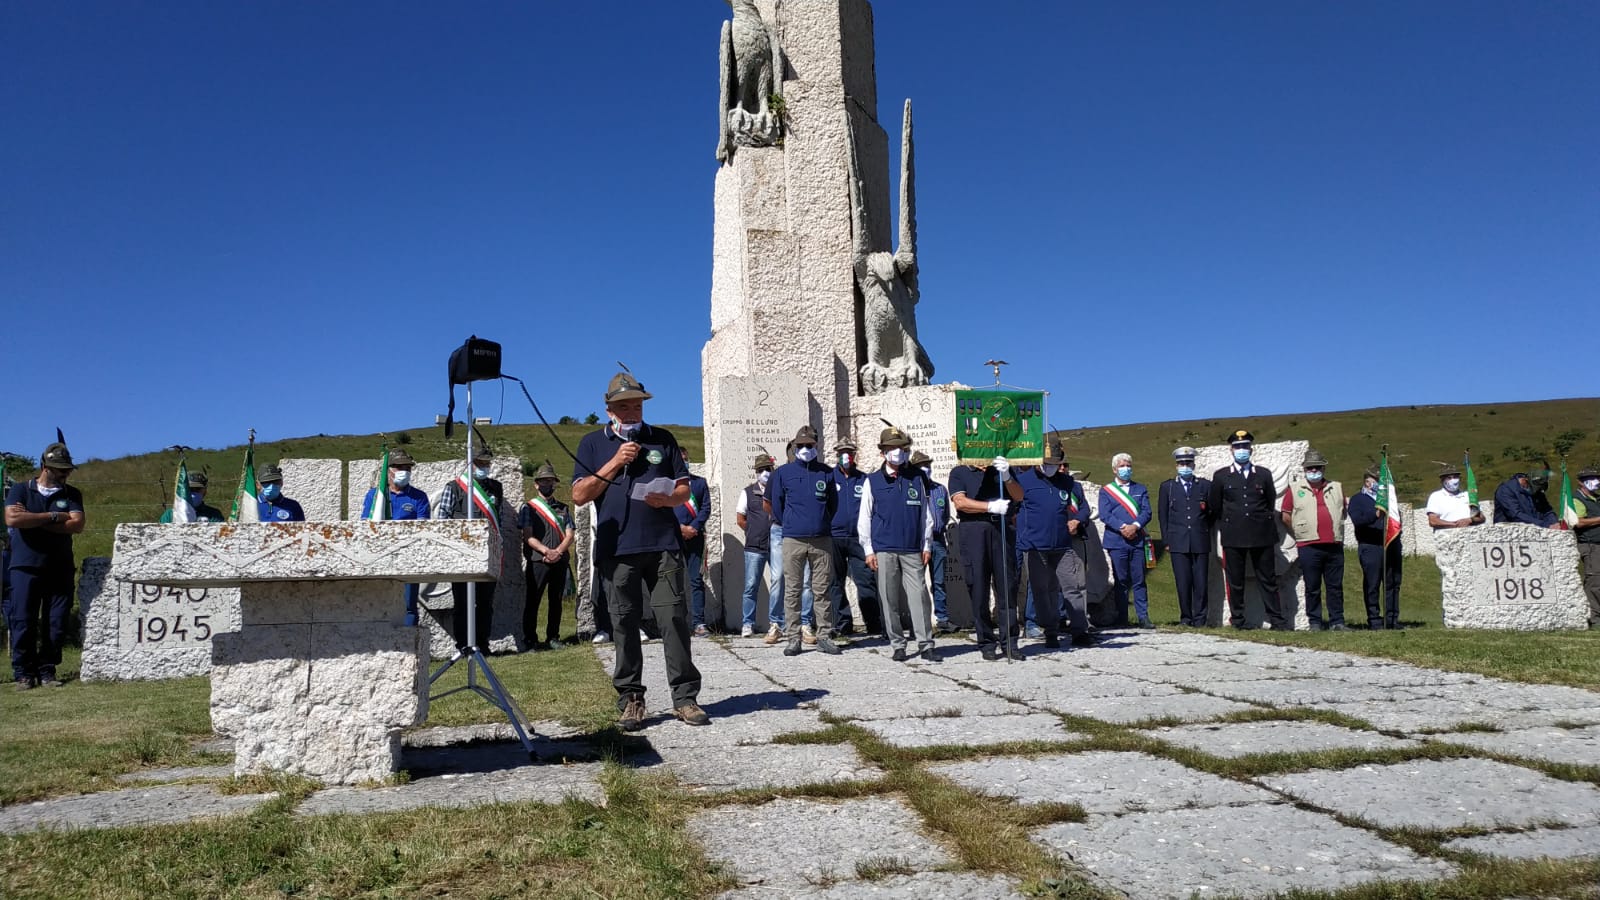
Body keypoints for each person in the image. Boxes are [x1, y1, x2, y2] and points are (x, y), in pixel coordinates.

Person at [573, 370, 706, 730]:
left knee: (673, 619)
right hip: (618, 549)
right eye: (624, 407)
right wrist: (616, 461)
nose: (633, 413)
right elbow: (579, 495)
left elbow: (684, 490)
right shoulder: (592, 444)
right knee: (624, 623)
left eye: (637, 406)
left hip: (663, 545)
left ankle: (685, 698)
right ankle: (631, 699)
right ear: (609, 411)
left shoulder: (662, 439)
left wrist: (670, 498)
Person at [5, 443, 85, 690]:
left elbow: (77, 524)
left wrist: (33, 520)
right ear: (45, 467)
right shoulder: (20, 490)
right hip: (25, 565)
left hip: (59, 566)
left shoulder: (72, 494)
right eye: (60, 470)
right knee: (23, 619)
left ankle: (48, 669)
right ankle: (24, 672)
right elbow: (13, 518)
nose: (65, 474)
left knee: (56, 621)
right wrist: (52, 517)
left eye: (67, 470)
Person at [857, 427, 936, 661]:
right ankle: (897, 644)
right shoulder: (872, 481)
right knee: (889, 598)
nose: (896, 453)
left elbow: (926, 515)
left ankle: (925, 643)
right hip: (884, 549)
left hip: (912, 548)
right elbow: (864, 517)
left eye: (900, 448)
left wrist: (927, 544)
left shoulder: (917, 478)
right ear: (883, 452)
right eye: (891, 448)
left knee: (919, 596)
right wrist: (868, 549)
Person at [767, 425, 841, 656]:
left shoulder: (827, 473)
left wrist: (821, 522)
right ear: (794, 448)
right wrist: (790, 522)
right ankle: (792, 638)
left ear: (816, 447)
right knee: (793, 590)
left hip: (821, 540)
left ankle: (825, 636)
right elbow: (776, 504)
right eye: (801, 446)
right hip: (793, 539)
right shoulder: (782, 473)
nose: (806, 449)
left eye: (810, 445)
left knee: (821, 590)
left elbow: (833, 504)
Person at [1015, 441, 1095, 648]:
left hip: (1063, 545)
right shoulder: (1022, 481)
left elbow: (1084, 508)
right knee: (1043, 591)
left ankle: (1080, 630)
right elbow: (1012, 508)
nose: (1050, 467)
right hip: (1035, 546)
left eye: (1055, 463)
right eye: (1046, 463)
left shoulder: (1068, 483)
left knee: (1072, 587)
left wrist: (1078, 520)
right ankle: (1050, 631)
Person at [1209, 429, 1287, 630]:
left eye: (1245, 447)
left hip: (1261, 534)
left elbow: (1269, 502)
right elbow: (1216, 506)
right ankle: (1238, 620)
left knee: (1268, 579)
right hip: (1234, 535)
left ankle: (1277, 620)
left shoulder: (1263, 474)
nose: (1241, 450)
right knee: (1235, 581)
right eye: (1237, 447)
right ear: (1231, 450)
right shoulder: (1221, 476)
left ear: (1251, 449)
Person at [949, 455, 1024, 661]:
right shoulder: (960, 472)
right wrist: (989, 506)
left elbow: (1018, 496)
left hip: (1001, 528)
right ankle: (986, 641)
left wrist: (1007, 475)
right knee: (978, 587)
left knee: (1006, 587)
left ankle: (1010, 641)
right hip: (974, 529)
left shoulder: (999, 470)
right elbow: (960, 502)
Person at [437, 447, 505, 653]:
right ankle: (463, 645)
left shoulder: (496, 488)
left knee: (485, 604)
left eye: (487, 464)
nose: (484, 467)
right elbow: (443, 521)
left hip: (486, 555)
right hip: (462, 555)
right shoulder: (455, 487)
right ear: (470, 464)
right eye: (479, 463)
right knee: (463, 603)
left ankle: (483, 644)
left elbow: (498, 522)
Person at [360, 447, 431, 625]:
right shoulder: (375, 496)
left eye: (408, 468)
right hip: (380, 557)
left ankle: (409, 648)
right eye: (400, 467)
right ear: (389, 470)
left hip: (408, 557)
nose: (404, 472)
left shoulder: (419, 497)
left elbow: (423, 527)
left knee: (408, 605)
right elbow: (366, 526)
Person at [1280, 449, 1348, 631]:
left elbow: (1344, 511)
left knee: (1335, 586)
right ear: (1305, 470)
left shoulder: (1337, 487)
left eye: (1317, 467)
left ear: (1324, 469)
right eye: (1310, 468)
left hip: (1334, 544)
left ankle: (1337, 621)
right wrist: (1299, 532)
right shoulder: (1295, 490)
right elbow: (1286, 515)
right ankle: (1315, 622)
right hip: (1308, 545)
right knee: (1312, 586)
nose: (1314, 471)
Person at [828, 437, 881, 639]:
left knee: (866, 581)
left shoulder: (864, 479)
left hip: (859, 539)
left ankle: (873, 622)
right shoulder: (829, 478)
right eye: (842, 452)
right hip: (834, 537)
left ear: (855, 455)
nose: (846, 456)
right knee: (835, 582)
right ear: (837, 455)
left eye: (849, 452)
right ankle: (842, 623)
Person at [519, 462, 574, 649]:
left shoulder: (564, 508)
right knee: (533, 600)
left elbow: (570, 534)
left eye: (551, 481)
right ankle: (530, 639)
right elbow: (528, 536)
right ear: (536, 484)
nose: (547, 484)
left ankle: (553, 637)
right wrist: (546, 551)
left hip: (559, 560)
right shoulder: (528, 508)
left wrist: (558, 552)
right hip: (538, 560)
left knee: (556, 601)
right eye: (544, 481)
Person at [1158, 446, 1212, 627]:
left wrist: (1204, 531)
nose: (1185, 466)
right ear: (1176, 466)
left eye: (1188, 463)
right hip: (1178, 541)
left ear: (1194, 464)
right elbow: (1163, 515)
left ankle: (1200, 619)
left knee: (1201, 582)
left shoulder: (1204, 486)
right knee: (1183, 582)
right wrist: (1166, 540)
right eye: (1181, 463)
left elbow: (1210, 513)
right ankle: (1186, 617)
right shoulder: (1168, 487)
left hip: (1200, 540)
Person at [1099, 452, 1154, 628]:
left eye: (1128, 465)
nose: (1126, 469)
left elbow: (1147, 512)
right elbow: (1105, 514)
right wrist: (1123, 527)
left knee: (1139, 580)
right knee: (1121, 580)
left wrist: (1135, 526)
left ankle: (1143, 617)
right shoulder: (1106, 491)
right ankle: (1122, 617)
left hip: (1137, 540)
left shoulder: (1141, 489)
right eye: (1122, 466)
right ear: (1115, 469)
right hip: (1116, 541)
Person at [1347, 466, 1403, 630]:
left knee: (1393, 582)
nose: (1380, 485)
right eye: (1378, 481)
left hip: (1390, 544)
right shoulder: (1358, 499)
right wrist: (1376, 513)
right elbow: (1358, 520)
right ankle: (1374, 619)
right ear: (1368, 482)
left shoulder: (1390, 501)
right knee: (1372, 583)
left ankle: (1392, 619)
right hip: (1370, 545)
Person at [909, 451, 955, 633]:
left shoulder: (940, 489)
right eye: (921, 466)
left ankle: (942, 618)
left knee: (939, 581)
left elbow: (944, 515)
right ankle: (917, 623)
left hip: (937, 541)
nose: (925, 469)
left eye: (927, 465)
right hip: (916, 542)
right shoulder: (912, 490)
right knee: (916, 583)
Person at [736, 453, 777, 638]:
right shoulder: (747, 492)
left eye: (768, 469)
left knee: (779, 583)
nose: (765, 473)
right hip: (754, 547)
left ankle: (777, 623)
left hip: (776, 545)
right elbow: (740, 519)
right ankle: (747, 623)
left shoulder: (778, 490)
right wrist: (752, 531)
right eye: (761, 470)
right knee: (751, 586)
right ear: (756, 472)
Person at [674, 448, 712, 636]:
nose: (684, 462)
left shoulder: (699, 483)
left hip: (695, 537)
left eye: (686, 459)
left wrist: (694, 527)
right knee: (673, 582)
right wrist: (680, 528)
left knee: (696, 581)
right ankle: (676, 622)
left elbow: (705, 508)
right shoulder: (668, 485)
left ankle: (699, 623)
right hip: (672, 537)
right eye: (680, 460)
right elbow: (662, 509)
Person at [1573, 467, 1600, 629]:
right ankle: (1595, 619)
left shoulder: (1597, 498)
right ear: (1581, 482)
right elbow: (1578, 521)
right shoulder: (1577, 499)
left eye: (1597, 478)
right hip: (1591, 545)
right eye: (1591, 478)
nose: (1596, 481)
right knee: (1595, 582)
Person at [1425, 463, 1484, 530]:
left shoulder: (1468, 495)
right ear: (1442, 480)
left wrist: (1469, 520)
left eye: (1455, 477)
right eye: (1449, 478)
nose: (1453, 480)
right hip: (1447, 536)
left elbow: (1481, 517)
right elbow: (1433, 521)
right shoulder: (1436, 497)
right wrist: (1455, 525)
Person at [1493, 472, 1559, 528]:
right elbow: (1516, 515)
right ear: (1525, 480)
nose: (1538, 491)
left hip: (1539, 528)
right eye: (1537, 489)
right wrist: (1545, 525)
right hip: (1511, 530)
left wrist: (1554, 523)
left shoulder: (1537, 489)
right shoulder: (1505, 490)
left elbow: (1547, 510)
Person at [159, 470, 225, 522]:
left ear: (205, 491)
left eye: (197, 489)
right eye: (189, 489)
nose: (193, 493)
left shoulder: (214, 515)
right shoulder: (169, 515)